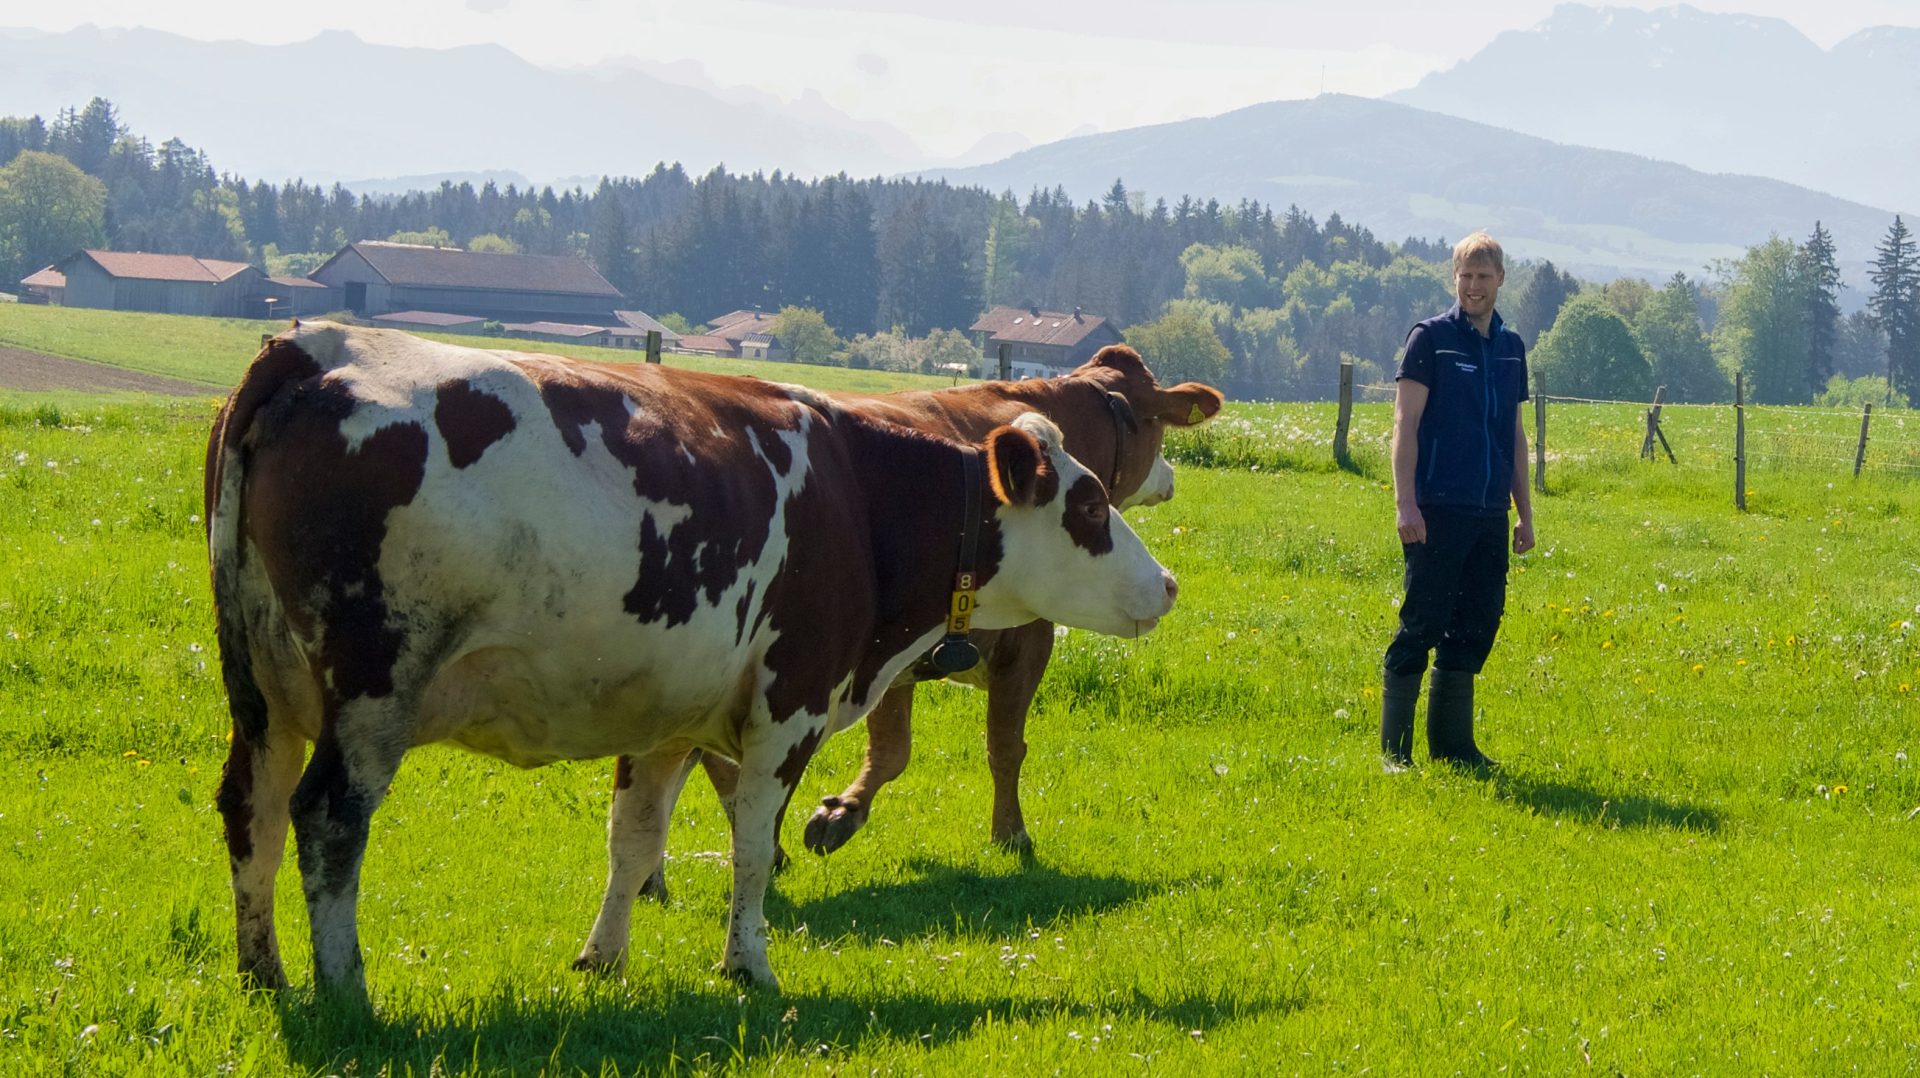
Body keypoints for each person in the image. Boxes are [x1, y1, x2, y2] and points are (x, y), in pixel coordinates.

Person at [1380, 231, 1535, 772]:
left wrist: (1524, 513)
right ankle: (1394, 754)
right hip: (1436, 509)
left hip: (1490, 511)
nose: (1473, 286)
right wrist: (1405, 504)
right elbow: (1406, 423)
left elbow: (1514, 435)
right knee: (1422, 621)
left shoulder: (1512, 348)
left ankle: (1454, 749)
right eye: (1465, 276)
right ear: (1454, 279)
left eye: (1483, 276)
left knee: (1476, 622)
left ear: (1500, 280)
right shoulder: (1431, 340)